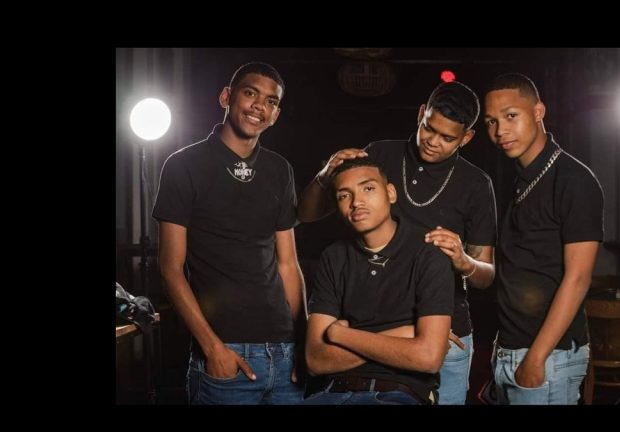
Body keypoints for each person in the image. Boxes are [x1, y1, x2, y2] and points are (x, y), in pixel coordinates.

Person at [298, 81, 497, 404]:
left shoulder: (475, 184)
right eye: (428, 128)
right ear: (421, 114)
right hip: (370, 320)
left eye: (447, 138)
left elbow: (486, 275)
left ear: (467, 137)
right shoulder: (381, 154)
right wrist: (325, 175)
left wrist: (464, 261)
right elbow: (306, 215)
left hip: (445, 329)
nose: (433, 141)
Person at [152, 62, 306, 405]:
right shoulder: (183, 165)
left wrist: (302, 341)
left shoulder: (280, 169)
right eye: (250, 93)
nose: (259, 106)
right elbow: (170, 269)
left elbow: (287, 264)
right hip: (225, 353)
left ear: (276, 115)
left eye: (270, 101)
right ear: (226, 97)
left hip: (285, 355)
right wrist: (212, 348)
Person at [482, 72, 604, 405]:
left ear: (538, 112)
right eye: (491, 121)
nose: (500, 131)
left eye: (511, 116)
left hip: (548, 357)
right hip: (509, 350)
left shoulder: (574, 180)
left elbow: (578, 279)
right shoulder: (518, 180)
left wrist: (536, 358)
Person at [303, 157, 454, 405]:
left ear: (390, 193)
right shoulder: (334, 256)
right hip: (332, 392)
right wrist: (403, 334)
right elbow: (315, 360)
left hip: (398, 392)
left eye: (368, 188)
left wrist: (340, 335)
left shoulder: (428, 253)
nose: (356, 202)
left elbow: (428, 358)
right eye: (344, 195)